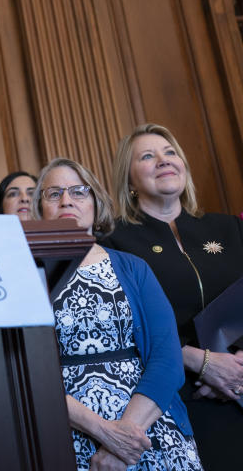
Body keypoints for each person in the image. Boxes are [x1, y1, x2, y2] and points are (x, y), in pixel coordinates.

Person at [33, 157, 201, 470]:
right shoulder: (25, 278)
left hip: (149, 432)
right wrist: (104, 432)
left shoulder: (133, 268)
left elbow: (168, 361)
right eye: (53, 194)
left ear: (96, 202)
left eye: (78, 191)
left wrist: (123, 442)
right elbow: (27, 372)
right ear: (39, 208)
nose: (66, 200)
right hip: (67, 434)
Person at [101, 123, 243, 470]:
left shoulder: (229, 228)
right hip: (179, 402)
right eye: (148, 156)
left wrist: (237, 367)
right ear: (130, 181)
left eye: (170, 153)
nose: (163, 161)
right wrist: (201, 362)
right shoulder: (114, 244)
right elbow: (123, 331)